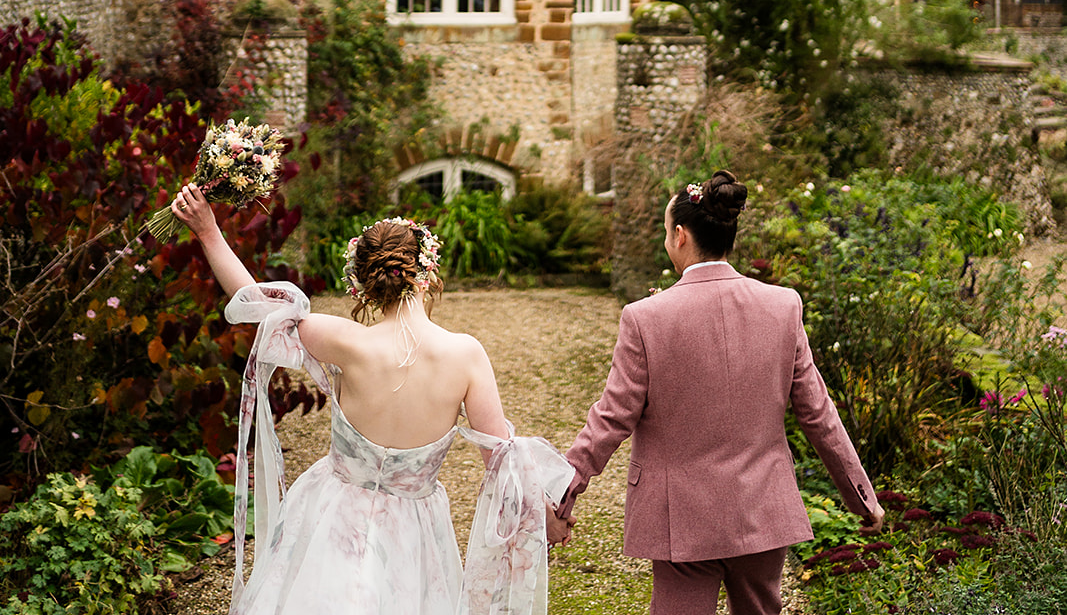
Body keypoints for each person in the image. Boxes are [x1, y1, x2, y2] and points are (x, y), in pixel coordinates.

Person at [171, 183, 573, 615]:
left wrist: (209, 231)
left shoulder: (345, 341)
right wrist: (546, 515)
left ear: (361, 285)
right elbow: (503, 462)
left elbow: (256, 302)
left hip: (331, 515)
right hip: (415, 533)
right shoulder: (466, 356)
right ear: (428, 272)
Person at [554, 170, 884, 615]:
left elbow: (612, 418)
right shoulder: (783, 305)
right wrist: (862, 498)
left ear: (679, 234)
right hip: (761, 509)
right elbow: (818, 414)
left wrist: (563, 492)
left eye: (665, 232)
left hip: (680, 516)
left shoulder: (646, 317)